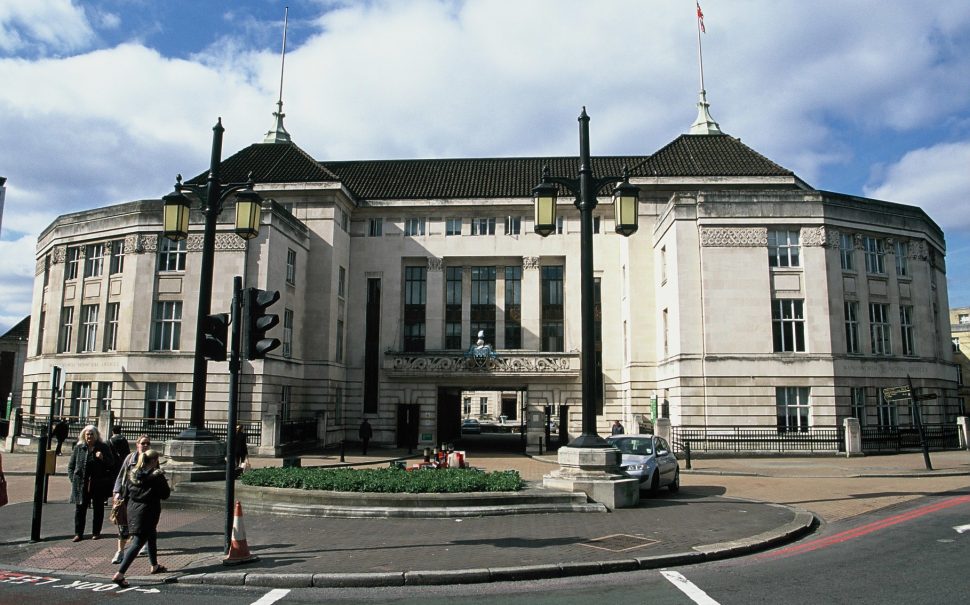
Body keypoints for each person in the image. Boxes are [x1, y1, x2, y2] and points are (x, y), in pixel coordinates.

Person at [112, 449, 170, 587]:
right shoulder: (156, 477)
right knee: (137, 542)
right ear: (155, 461)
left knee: (151, 536)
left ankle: (154, 565)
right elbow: (165, 494)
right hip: (148, 511)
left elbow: (125, 492)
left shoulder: (132, 474)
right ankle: (120, 574)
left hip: (133, 509)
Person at [66, 425, 115, 541]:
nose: (89, 436)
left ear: (96, 435)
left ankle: (96, 532)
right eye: (87, 434)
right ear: (84, 435)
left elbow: (111, 463)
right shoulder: (79, 448)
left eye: (92, 434)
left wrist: (102, 458)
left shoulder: (103, 447)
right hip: (81, 483)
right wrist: (74, 480)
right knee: (80, 509)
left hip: (98, 483)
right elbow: (71, 466)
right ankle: (78, 533)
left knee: (98, 509)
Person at [110, 434, 150, 564]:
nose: (145, 446)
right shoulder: (130, 458)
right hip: (127, 495)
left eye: (147, 443)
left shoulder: (151, 459)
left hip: (142, 497)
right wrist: (116, 492)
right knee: (123, 525)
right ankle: (120, 551)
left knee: (142, 523)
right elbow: (121, 476)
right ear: (137, 444)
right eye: (143, 443)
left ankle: (143, 544)